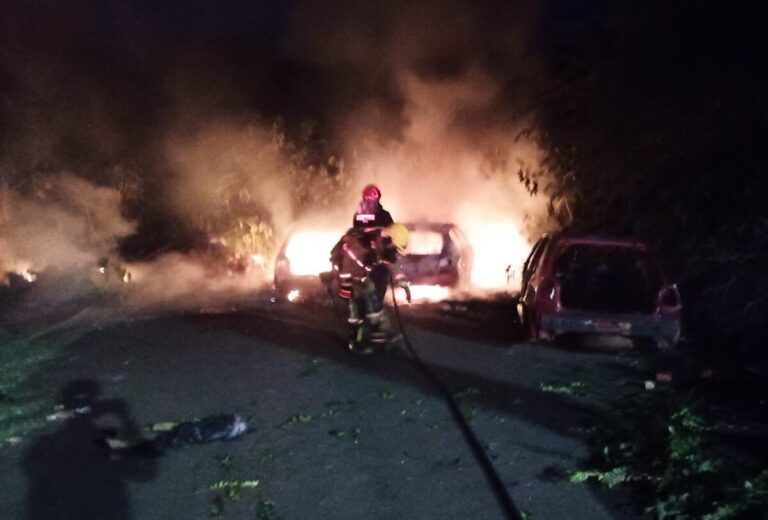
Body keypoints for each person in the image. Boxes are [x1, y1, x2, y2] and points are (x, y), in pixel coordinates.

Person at [330, 223, 410, 352]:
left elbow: (390, 261)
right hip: (349, 277)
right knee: (356, 311)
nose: (394, 251)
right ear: (388, 240)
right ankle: (356, 342)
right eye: (394, 247)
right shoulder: (361, 246)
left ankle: (379, 338)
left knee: (373, 307)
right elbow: (346, 269)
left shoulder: (381, 244)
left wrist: (401, 280)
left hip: (362, 276)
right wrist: (346, 290)